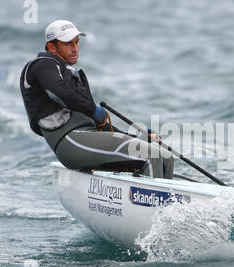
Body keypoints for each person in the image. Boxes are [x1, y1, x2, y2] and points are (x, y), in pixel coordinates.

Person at [20, 20, 173, 178]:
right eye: (68, 44)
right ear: (52, 47)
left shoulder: (72, 75)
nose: (75, 49)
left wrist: (138, 138)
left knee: (165, 156)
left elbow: (102, 128)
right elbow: (62, 95)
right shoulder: (43, 65)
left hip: (89, 139)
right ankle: (161, 203)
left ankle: (173, 200)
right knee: (152, 155)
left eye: (77, 43)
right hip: (71, 143)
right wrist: (93, 110)